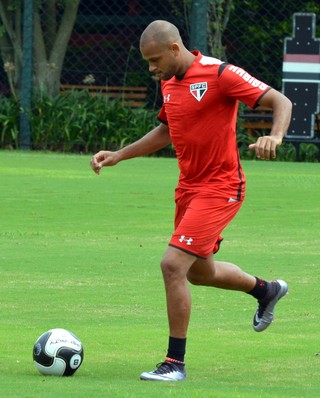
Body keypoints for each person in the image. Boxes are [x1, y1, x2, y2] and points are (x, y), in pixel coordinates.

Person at [90, 20, 292, 382]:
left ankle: (174, 363)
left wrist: (274, 137)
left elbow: (281, 100)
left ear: (173, 48)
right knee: (199, 272)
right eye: (147, 62)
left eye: (154, 60)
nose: (151, 68)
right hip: (188, 189)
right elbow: (167, 130)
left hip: (221, 187)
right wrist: (120, 154)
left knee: (172, 265)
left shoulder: (220, 73)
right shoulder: (170, 83)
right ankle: (267, 290)